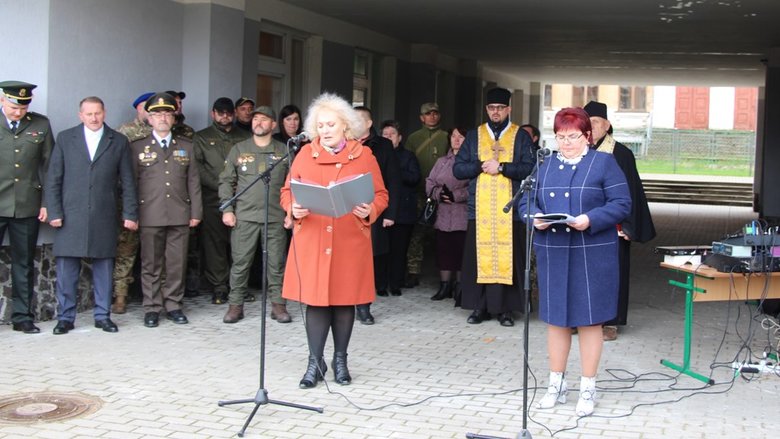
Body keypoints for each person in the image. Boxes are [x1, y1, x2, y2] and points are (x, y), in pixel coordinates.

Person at [519, 107, 631, 417]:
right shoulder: (545, 165)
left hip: (591, 253)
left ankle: (588, 388)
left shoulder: (603, 163)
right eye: (560, 137)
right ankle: (556, 384)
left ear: (587, 136)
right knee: (557, 320)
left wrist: (590, 218)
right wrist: (533, 217)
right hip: (554, 251)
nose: (565, 143)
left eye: (572, 136)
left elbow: (622, 203)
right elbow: (527, 199)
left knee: (589, 321)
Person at [281, 93, 388, 388]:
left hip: (348, 239)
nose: (325, 130)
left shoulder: (364, 155)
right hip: (313, 238)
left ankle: (341, 360)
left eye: (330, 124)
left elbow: (381, 194)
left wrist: (371, 209)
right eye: (320, 125)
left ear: (345, 126)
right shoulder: (305, 153)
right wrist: (292, 207)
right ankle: (315, 363)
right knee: (316, 302)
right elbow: (287, 191)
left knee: (344, 301)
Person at [45, 96, 138, 334]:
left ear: (104, 113)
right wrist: (54, 211)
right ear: (81, 115)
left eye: (98, 113)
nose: (94, 118)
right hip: (70, 214)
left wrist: (130, 213)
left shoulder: (118, 140)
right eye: (89, 114)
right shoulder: (66, 138)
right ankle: (65, 318)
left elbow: (128, 181)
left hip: (103, 214)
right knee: (67, 271)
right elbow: (53, 178)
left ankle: (102, 316)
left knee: (104, 269)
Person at [453, 88, 535, 327]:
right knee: (479, 258)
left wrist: (502, 168)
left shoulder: (520, 136)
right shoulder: (475, 136)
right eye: (491, 108)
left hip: (510, 210)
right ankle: (479, 307)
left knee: (509, 257)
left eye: (500, 107)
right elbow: (458, 169)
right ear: (486, 109)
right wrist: (480, 165)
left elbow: (530, 168)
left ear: (509, 109)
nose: (495, 112)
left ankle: (505, 310)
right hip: (479, 210)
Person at [584, 101, 656, 341]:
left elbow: (632, 191)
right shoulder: (579, 151)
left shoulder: (621, 154)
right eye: (587, 123)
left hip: (613, 226)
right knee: (584, 274)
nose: (592, 127)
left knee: (612, 274)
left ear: (607, 125)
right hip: (583, 224)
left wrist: (628, 225)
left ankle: (610, 322)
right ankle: (583, 319)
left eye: (595, 122)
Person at [131, 92, 202, 328]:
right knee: (150, 264)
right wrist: (132, 214)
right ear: (149, 119)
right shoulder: (137, 147)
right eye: (157, 114)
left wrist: (196, 212)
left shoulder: (186, 146)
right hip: (149, 213)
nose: (162, 118)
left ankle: (173, 305)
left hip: (179, 213)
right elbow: (131, 183)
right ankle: (152, 307)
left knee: (176, 263)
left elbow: (193, 181)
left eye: (167, 114)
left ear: (174, 118)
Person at [219, 106, 291, 324]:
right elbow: (226, 181)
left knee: (276, 263)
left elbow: (294, 184)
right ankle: (235, 306)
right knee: (240, 263)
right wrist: (227, 209)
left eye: (264, 119)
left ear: (273, 125)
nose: (258, 122)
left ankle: (278, 305)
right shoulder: (239, 149)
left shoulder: (284, 151)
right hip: (245, 217)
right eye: (255, 119)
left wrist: (291, 213)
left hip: (275, 217)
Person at [0, 80, 54, 334]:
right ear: (2, 100)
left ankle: (22, 317)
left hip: (27, 205)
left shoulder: (40, 124)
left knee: (23, 264)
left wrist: (47, 203)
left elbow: (51, 167)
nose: (18, 112)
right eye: (14, 107)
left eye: (23, 108)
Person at [193, 97, 247, 305]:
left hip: (241, 198)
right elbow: (198, 168)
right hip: (212, 198)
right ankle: (219, 286)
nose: (225, 116)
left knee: (240, 244)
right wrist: (222, 186)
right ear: (213, 114)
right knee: (214, 243)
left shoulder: (244, 136)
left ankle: (238, 286)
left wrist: (238, 187)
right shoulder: (201, 137)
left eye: (228, 113)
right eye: (221, 113)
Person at [353, 107, 400, 325]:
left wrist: (390, 212)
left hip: (371, 209)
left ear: (369, 123)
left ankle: (363, 306)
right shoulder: (343, 142)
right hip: (346, 210)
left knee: (368, 260)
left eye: (357, 119)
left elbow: (393, 180)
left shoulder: (383, 145)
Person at [404, 102, 448, 288]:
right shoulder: (414, 138)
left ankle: (444, 274)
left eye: (435, 113)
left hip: (442, 194)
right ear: (422, 117)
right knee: (417, 233)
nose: (432, 116)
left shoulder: (446, 137)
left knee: (442, 234)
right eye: (428, 114)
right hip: (420, 193)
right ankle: (413, 271)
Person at [426, 126, 469, 304]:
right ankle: (444, 286)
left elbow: (474, 187)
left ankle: (460, 288)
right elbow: (429, 182)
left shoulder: (471, 162)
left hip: (462, 215)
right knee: (444, 251)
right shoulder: (442, 161)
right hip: (443, 214)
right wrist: (438, 194)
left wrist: (456, 195)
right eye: (453, 136)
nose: (456, 140)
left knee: (460, 252)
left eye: (461, 136)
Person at [380, 120, 421, 297]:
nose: (389, 137)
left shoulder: (408, 156)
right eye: (385, 134)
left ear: (400, 137)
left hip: (403, 211)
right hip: (382, 210)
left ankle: (396, 283)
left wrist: (395, 171)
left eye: (392, 134)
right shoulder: (377, 155)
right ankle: (381, 284)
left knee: (399, 250)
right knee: (382, 250)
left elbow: (415, 178)